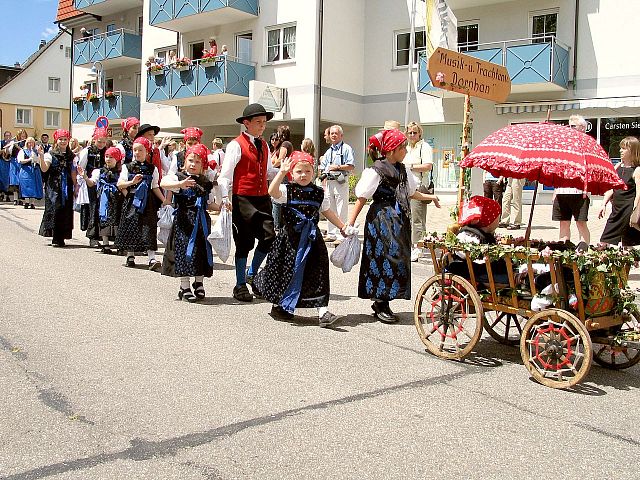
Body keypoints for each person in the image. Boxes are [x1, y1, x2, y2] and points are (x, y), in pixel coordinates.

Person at [346, 129, 440, 323]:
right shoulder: (376, 171)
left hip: (398, 220)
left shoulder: (403, 170)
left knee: (398, 257)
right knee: (384, 258)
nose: (405, 150)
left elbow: (412, 192)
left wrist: (431, 196)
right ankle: (381, 301)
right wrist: (350, 222)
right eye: (402, 147)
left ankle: (384, 300)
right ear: (390, 150)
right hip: (381, 220)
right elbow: (362, 198)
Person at [255, 151, 351, 327]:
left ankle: (323, 311)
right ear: (292, 173)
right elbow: (272, 191)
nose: (303, 175)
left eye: (307, 171)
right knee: (286, 272)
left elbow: (327, 211)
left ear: (313, 172)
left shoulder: (318, 192)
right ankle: (282, 305)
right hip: (289, 241)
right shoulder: (287, 190)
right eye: (299, 171)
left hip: (312, 241)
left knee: (318, 272)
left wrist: (342, 227)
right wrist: (281, 173)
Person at [218, 103, 277, 302]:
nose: (262, 126)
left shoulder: (265, 145)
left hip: (262, 198)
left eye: (264, 122)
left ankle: (251, 273)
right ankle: (240, 284)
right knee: (244, 243)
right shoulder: (236, 145)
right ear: (247, 123)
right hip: (242, 198)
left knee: (269, 238)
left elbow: (269, 172)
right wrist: (225, 198)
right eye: (258, 122)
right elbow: (225, 175)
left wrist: (288, 172)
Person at [161, 143, 220, 302]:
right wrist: (179, 185)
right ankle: (184, 286)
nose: (193, 164)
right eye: (191, 160)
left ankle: (199, 283)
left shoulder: (206, 182)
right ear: (184, 162)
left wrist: (222, 207)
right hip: (184, 221)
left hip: (201, 222)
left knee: (200, 251)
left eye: (198, 162)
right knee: (184, 252)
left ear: (203, 166)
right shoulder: (178, 177)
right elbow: (163, 183)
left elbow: (209, 203)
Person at [115, 136, 166, 270]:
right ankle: (130, 255)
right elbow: (120, 184)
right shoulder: (128, 167)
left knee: (149, 228)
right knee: (131, 226)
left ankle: (152, 258)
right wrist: (132, 183)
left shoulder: (152, 168)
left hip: (148, 202)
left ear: (147, 151)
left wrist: (164, 200)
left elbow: (155, 186)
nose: (137, 153)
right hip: (132, 200)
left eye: (140, 150)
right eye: (135, 150)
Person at [445, 195, 508, 284]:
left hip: (482, 270)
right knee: (509, 278)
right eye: (498, 217)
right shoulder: (468, 235)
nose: (499, 220)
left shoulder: (485, 234)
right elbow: (463, 253)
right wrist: (483, 258)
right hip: (474, 271)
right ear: (489, 220)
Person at [552, 115, 591, 244]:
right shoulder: (564, 145)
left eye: (573, 126)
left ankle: (584, 252)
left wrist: (587, 188)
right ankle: (563, 249)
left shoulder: (587, 145)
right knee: (563, 222)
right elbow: (559, 169)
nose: (570, 128)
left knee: (580, 223)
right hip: (562, 190)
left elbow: (589, 168)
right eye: (569, 126)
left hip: (579, 191)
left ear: (583, 128)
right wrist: (555, 190)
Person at [78, 146, 123, 254]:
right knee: (104, 219)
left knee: (118, 218)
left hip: (117, 198)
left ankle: (119, 244)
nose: (108, 159)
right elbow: (91, 183)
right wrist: (85, 177)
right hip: (104, 198)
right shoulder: (99, 171)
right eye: (107, 156)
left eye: (111, 157)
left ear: (117, 159)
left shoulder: (121, 172)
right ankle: (105, 244)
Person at [599, 136, 640, 247]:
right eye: (621, 148)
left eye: (624, 148)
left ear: (632, 151)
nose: (620, 150)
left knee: (627, 245)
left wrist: (634, 211)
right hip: (617, 210)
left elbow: (639, 194)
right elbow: (612, 188)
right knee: (605, 241)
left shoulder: (637, 170)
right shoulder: (617, 167)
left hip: (627, 210)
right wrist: (603, 204)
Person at [38, 129, 76, 247]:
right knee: (55, 208)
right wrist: (41, 156)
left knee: (66, 210)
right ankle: (55, 236)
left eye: (65, 139)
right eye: (61, 139)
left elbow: (74, 172)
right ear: (56, 140)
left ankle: (62, 236)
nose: (63, 141)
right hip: (54, 186)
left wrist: (76, 186)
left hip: (67, 186)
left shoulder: (72, 156)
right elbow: (44, 169)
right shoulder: (51, 154)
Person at [403, 121, 434, 262]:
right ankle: (410, 244)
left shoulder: (425, 147)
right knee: (406, 217)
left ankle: (418, 247)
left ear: (420, 133)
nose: (412, 134)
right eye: (410, 132)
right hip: (405, 186)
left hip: (418, 186)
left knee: (417, 218)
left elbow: (428, 166)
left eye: (415, 132)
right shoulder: (406, 147)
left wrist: (410, 167)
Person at [319, 125, 355, 243]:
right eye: (331, 133)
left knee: (341, 208)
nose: (333, 135)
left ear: (341, 135)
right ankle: (331, 233)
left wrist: (337, 167)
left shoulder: (346, 148)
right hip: (329, 181)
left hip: (341, 181)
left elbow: (351, 165)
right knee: (330, 207)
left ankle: (341, 233)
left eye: (336, 133)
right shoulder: (329, 151)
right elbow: (323, 167)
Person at [77, 127, 108, 246]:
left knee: (102, 208)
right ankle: (92, 236)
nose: (101, 144)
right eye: (99, 141)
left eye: (103, 142)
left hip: (104, 183)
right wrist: (82, 182)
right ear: (94, 140)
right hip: (90, 182)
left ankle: (102, 235)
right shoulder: (87, 151)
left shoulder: (107, 151)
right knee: (93, 208)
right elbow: (81, 167)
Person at [270, 125, 293, 230]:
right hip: (284, 174)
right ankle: (281, 224)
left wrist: (269, 168)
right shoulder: (286, 144)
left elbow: (280, 160)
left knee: (277, 199)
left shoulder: (285, 144)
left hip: (282, 175)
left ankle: (276, 225)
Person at [17, 137, 44, 209]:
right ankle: (26, 202)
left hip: (35, 170)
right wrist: (29, 159)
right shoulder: (23, 151)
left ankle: (32, 203)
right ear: (26, 143)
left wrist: (37, 158)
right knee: (26, 186)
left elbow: (40, 160)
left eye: (32, 142)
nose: (30, 144)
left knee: (34, 186)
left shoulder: (36, 151)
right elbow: (20, 160)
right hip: (26, 170)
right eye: (29, 142)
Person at [9, 128, 27, 205]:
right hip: (14, 163)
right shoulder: (14, 142)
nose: (23, 138)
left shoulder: (26, 143)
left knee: (21, 180)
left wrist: (17, 146)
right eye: (21, 136)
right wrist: (11, 145)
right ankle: (15, 198)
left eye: (24, 136)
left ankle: (21, 199)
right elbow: (9, 152)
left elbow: (25, 151)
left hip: (22, 163)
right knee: (14, 181)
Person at [1, 131, 14, 201]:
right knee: (2, 178)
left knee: (9, 179)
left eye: (9, 135)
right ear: (4, 136)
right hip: (2, 162)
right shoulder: (1, 142)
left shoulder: (13, 143)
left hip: (10, 162)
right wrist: (4, 149)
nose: (8, 137)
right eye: (6, 135)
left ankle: (7, 195)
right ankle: (1, 194)